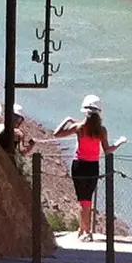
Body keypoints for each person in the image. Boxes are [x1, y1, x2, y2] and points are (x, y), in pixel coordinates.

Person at [58, 94, 108, 239]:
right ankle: (85, 230)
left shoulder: (79, 127)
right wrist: (119, 144)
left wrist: (67, 120)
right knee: (87, 199)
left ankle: (84, 230)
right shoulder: (102, 130)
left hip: (79, 164)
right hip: (93, 166)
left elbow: (57, 134)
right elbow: (107, 150)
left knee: (82, 199)